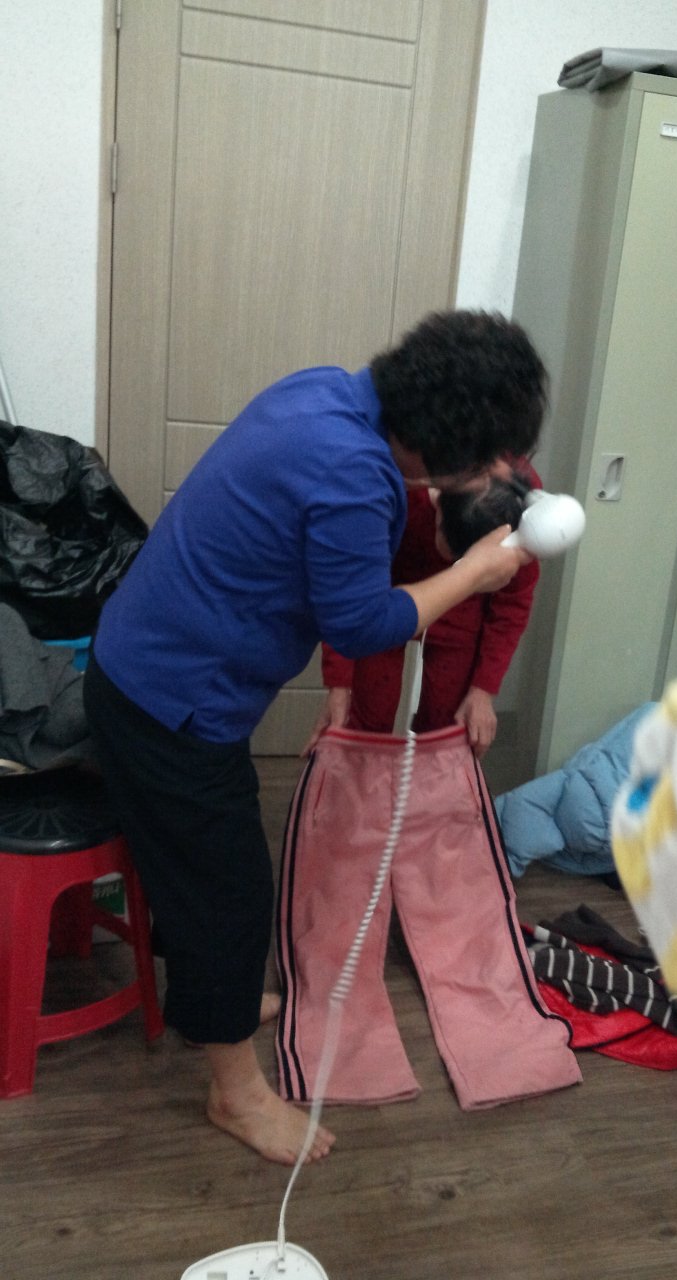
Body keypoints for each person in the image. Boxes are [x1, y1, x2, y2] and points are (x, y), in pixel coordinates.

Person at [82, 309, 547, 1165]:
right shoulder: (355, 477)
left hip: (146, 665)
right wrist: (473, 571)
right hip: (168, 701)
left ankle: (215, 1003)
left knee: (199, 871)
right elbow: (362, 623)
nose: (497, 473)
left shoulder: (324, 392)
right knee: (231, 896)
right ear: (440, 445)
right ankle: (235, 1093)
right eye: (487, 458)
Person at [305, 462, 541, 758]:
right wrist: (339, 686)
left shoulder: (524, 518)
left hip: (462, 612)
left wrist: (484, 690)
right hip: (383, 599)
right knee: (365, 721)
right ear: (438, 502)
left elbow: (512, 607)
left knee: (447, 731)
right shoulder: (390, 488)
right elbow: (346, 592)